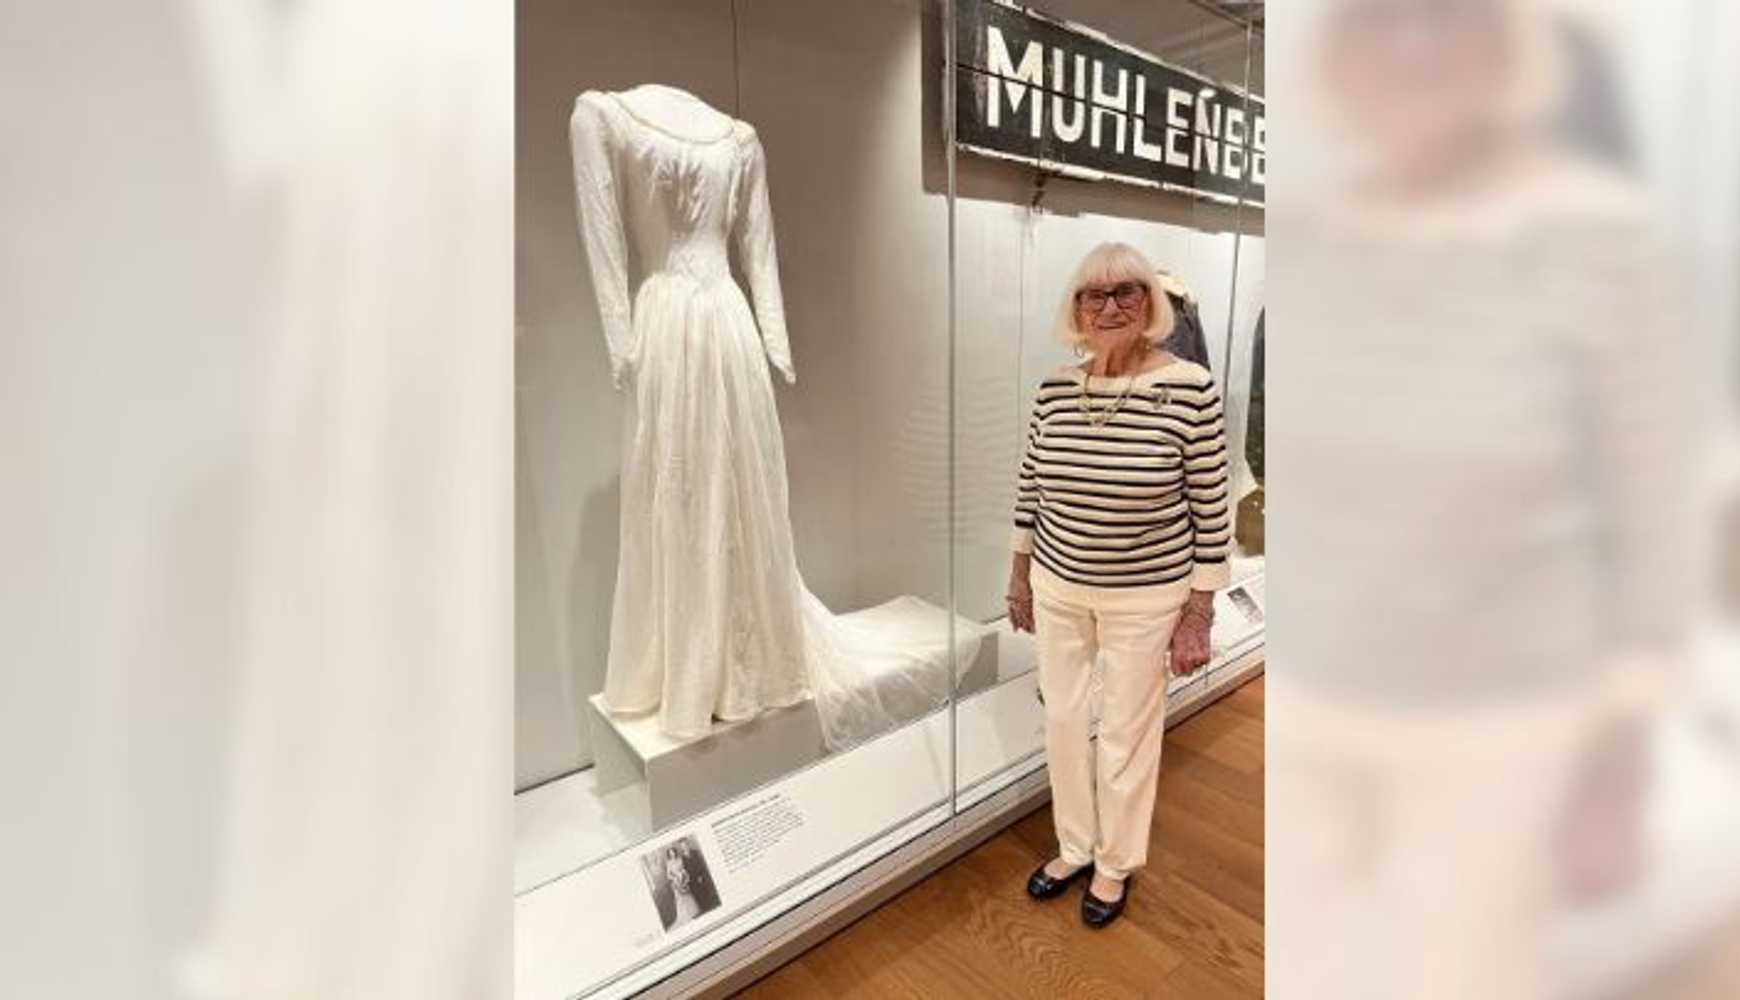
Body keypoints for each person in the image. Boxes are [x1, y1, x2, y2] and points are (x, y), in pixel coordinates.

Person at [1007, 242, 1231, 928]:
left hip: (1146, 597)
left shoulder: (1190, 388)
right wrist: (1019, 576)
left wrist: (1198, 613)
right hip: (1058, 585)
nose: (1109, 307)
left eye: (1126, 292)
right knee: (1065, 720)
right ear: (1075, 309)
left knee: (1129, 732)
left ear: (1152, 304)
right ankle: (1074, 844)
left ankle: (1114, 863)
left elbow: (1210, 505)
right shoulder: (1054, 388)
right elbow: (1030, 491)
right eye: (1093, 295)